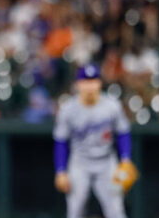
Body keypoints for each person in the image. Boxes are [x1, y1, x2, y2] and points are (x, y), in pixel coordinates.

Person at [53, 64, 133, 218]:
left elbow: (123, 133)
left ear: (100, 83)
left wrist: (125, 159)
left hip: (107, 163)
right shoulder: (68, 110)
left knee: (116, 210)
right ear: (77, 84)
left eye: (93, 80)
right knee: (74, 211)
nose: (90, 85)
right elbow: (60, 142)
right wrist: (61, 170)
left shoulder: (112, 106)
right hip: (79, 164)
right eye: (85, 81)